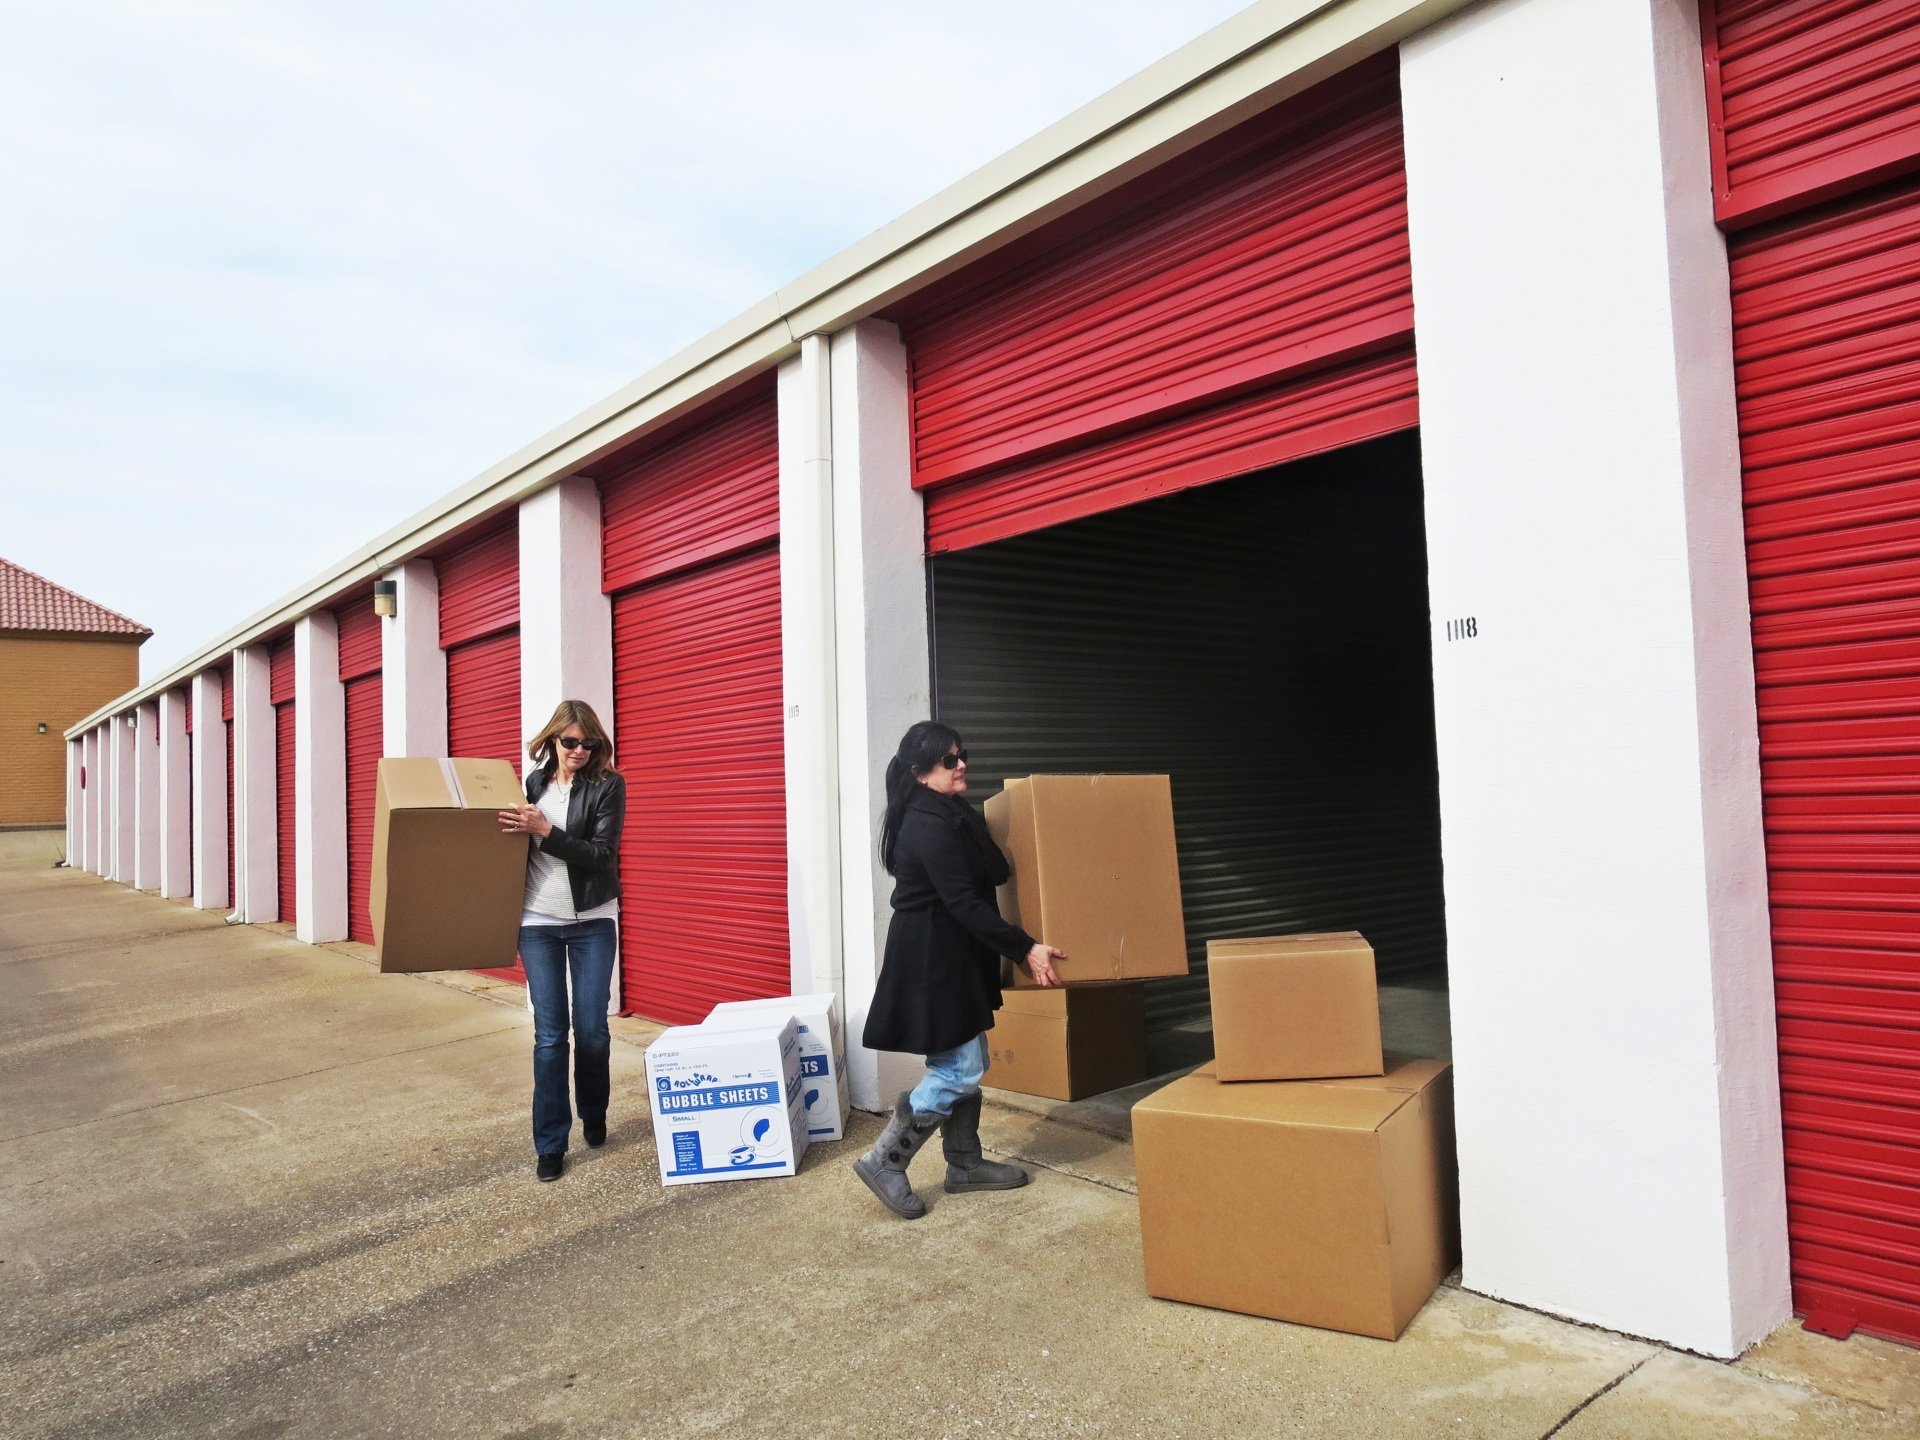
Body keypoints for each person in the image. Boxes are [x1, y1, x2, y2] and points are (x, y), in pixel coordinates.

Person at [853, 720, 1066, 1219]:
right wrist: (1025, 948)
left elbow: (994, 870)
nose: (962, 764)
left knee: (968, 1058)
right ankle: (885, 1160)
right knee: (959, 1065)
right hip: (933, 961)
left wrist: (967, 816)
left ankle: (964, 1165)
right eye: (949, 760)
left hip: (953, 955)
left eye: (961, 754)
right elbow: (964, 902)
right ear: (920, 772)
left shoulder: (947, 812)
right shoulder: (926, 824)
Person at [497, 699, 626, 1183]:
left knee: (591, 1030)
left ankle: (594, 1112)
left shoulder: (609, 785)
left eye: (588, 742)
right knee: (550, 1037)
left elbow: (600, 854)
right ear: (553, 738)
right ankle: (550, 1144)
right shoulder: (533, 784)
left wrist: (545, 830)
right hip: (537, 922)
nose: (579, 749)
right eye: (570, 741)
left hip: (592, 920)